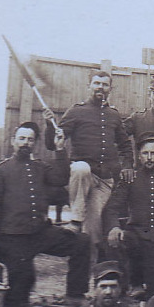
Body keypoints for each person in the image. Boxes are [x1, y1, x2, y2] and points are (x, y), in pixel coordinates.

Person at [0, 121, 91, 307]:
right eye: (21, 138)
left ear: (34, 144)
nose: (25, 143)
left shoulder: (40, 168)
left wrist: (61, 149)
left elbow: (62, 176)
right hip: (13, 240)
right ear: (13, 141)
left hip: (41, 233)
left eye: (30, 139)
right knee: (17, 293)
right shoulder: (0, 171)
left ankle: (75, 294)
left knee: (81, 242)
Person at [45, 71, 134, 247]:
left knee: (92, 231)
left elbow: (125, 144)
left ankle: (92, 270)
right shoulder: (76, 111)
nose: (100, 87)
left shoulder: (114, 115)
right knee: (80, 168)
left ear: (110, 89)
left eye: (104, 84)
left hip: (104, 181)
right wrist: (49, 125)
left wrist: (128, 165)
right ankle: (76, 220)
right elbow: (52, 143)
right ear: (89, 86)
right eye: (96, 83)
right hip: (83, 178)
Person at [104, 133, 154, 300]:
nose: (149, 157)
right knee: (119, 241)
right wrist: (114, 227)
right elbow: (111, 208)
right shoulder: (130, 179)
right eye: (145, 153)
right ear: (139, 156)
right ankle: (128, 284)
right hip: (136, 239)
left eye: (153, 153)